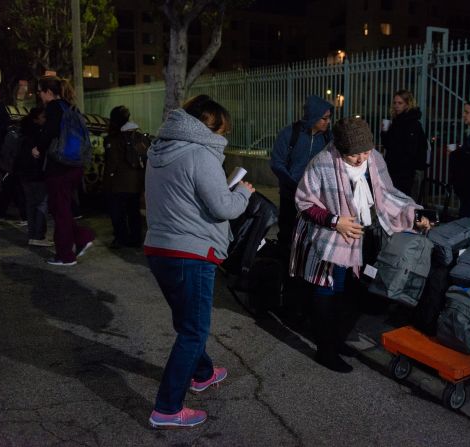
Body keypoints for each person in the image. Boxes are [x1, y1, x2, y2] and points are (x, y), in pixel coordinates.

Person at [144, 96, 254, 429]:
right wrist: (244, 193)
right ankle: (167, 408)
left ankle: (203, 373)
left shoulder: (160, 151)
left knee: (187, 322)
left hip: (160, 249)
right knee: (193, 331)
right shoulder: (200, 154)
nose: (225, 139)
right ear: (210, 128)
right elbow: (223, 207)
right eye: (224, 131)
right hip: (192, 252)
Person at [290, 117, 431, 373]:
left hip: (356, 236)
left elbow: (387, 193)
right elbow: (304, 202)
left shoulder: (373, 159)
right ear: (341, 150)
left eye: (365, 152)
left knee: (347, 291)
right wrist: (335, 221)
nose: (361, 159)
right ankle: (325, 350)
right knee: (326, 291)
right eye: (354, 155)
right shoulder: (322, 163)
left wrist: (415, 216)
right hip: (325, 238)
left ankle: (336, 340)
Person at [32, 76, 94, 266]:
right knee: (62, 208)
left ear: (49, 92)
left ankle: (66, 254)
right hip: (74, 165)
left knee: (60, 211)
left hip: (59, 166)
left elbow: (49, 131)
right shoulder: (69, 107)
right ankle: (81, 237)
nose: (40, 96)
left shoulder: (54, 107)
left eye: (41, 91)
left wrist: (38, 149)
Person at [270, 95, 334, 250]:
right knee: (287, 235)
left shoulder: (328, 138)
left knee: (310, 238)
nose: (328, 122)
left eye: (329, 118)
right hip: (290, 195)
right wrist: (293, 184)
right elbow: (276, 162)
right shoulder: (289, 134)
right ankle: (284, 268)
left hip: (315, 198)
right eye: (324, 118)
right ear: (313, 117)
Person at [103, 105, 149, 248]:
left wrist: (106, 182)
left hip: (118, 182)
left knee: (117, 212)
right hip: (136, 182)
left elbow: (112, 162)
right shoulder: (138, 135)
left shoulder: (113, 138)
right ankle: (135, 239)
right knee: (133, 211)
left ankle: (121, 238)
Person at [380, 89, 428, 199]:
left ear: (407, 104)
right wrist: (384, 132)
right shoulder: (396, 121)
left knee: (403, 201)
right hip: (394, 169)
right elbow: (388, 144)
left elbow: (411, 149)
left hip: (405, 172)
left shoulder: (412, 124)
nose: (396, 106)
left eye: (400, 103)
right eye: (395, 103)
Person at [17, 107, 53, 246]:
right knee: (41, 203)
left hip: (24, 173)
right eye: (43, 117)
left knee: (31, 204)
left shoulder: (24, 132)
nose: (45, 119)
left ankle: (32, 235)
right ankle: (38, 236)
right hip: (36, 173)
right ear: (36, 119)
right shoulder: (39, 133)